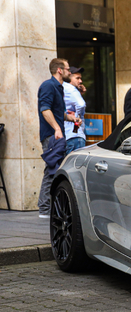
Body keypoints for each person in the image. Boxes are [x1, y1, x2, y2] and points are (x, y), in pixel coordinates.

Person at [37, 58, 80, 219]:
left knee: (54, 170)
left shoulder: (59, 88)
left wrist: (71, 119)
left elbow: (56, 113)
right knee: (52, 170)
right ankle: (44, 209)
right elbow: (45, 110)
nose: (70, 72)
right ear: (60, 70)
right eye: (68, 69)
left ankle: (48, 208)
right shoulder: (48, 86)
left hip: (57, 135)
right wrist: (56, 128)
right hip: (51, 136)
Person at [63, 66, 87, 155]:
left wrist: (80, 93)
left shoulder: (63, 88)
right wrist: (77, 116)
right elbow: (81, 104)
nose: (80, 81)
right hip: (75, 135)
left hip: (68, 136)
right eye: (77, 78)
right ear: (69, 78)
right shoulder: (71, 89)